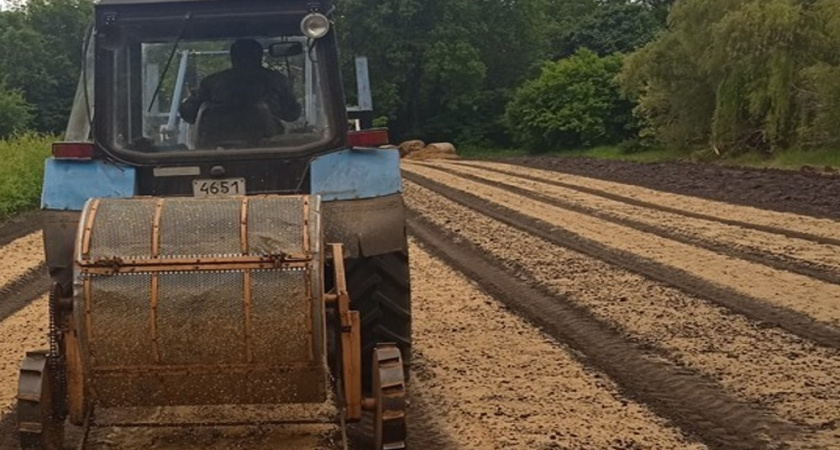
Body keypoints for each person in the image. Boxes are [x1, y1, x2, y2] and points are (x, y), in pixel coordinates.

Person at [179, 39, 302, 133]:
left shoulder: (212, 82)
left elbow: (189, 113)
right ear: (259, 57)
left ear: (233, 58)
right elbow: (292, 114)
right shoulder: (276, 80)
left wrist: (190, 101)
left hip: (217, 145)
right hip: (268, 146)